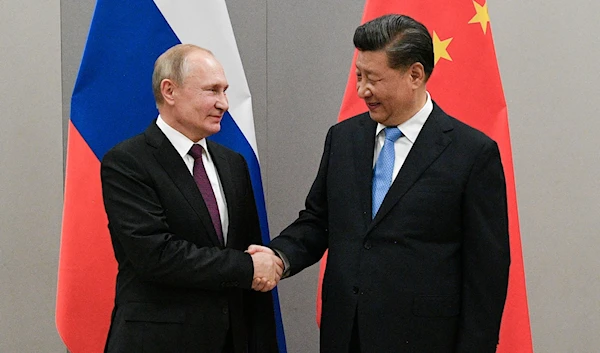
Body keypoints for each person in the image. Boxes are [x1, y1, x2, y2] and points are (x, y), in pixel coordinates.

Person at [249, 14, 510, 353]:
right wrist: (279, 256)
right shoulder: (343, 138)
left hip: (425, 341)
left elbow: (486, 273)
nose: (361, 91)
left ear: (414, 74)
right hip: (345, 336)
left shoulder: (472, 153)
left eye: (372, 79)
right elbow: (318, 221)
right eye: (358, 76)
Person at [101, 44, 281, 353]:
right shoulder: (128, 162)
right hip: (159, 343)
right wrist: (247, 267)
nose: (223, 103)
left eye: (225, 91)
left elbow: (248, 249)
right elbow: (156, 255)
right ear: (169, 91)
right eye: (212, 90)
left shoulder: (233, 163)